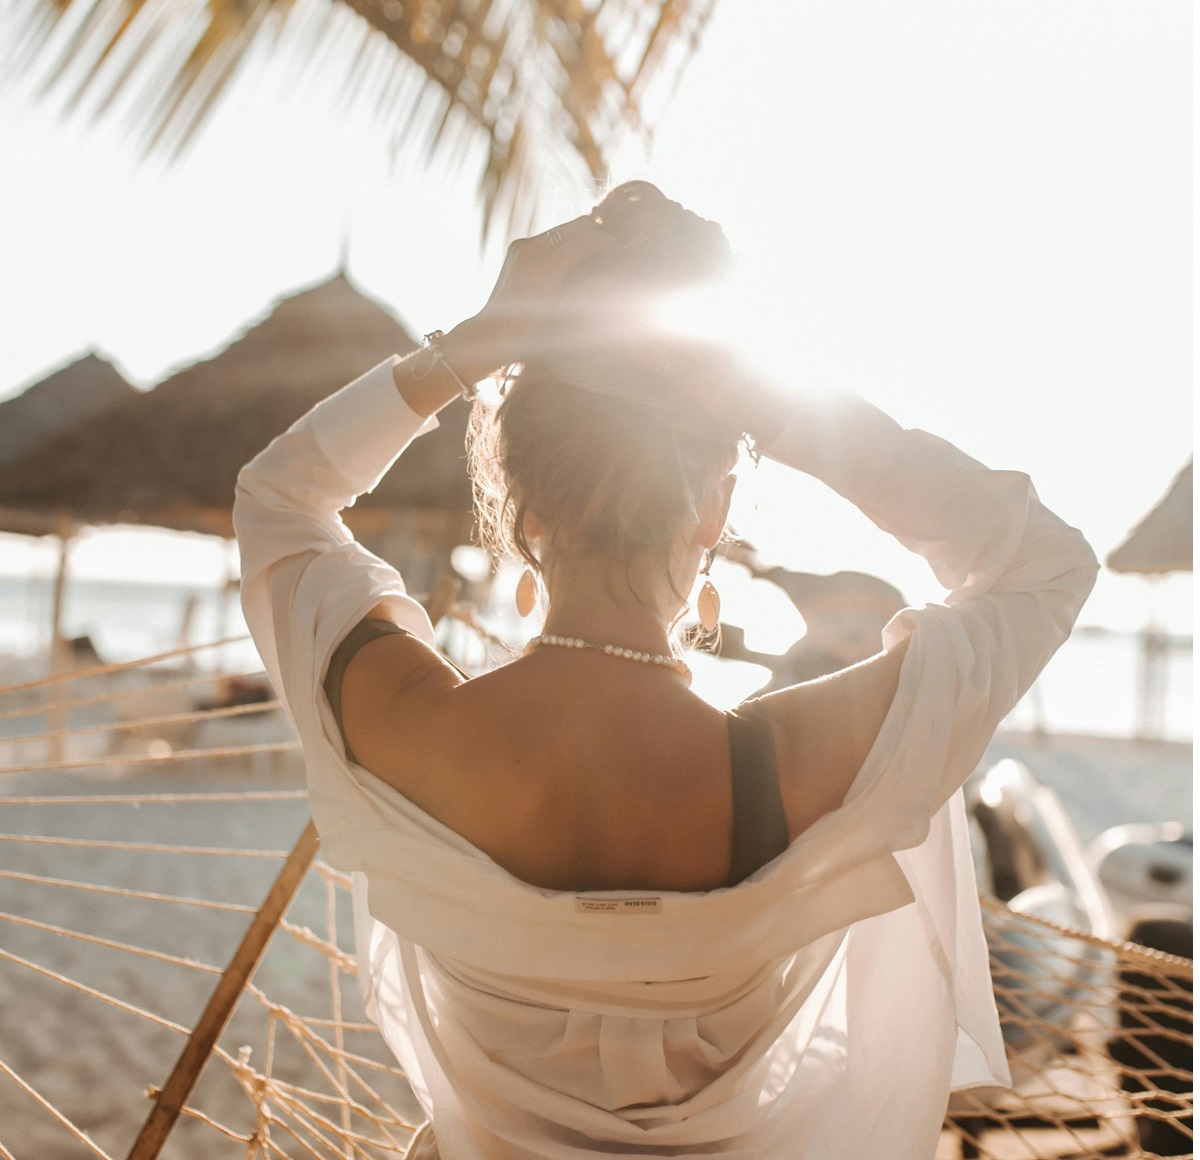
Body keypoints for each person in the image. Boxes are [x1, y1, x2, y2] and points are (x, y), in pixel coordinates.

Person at [234, 183, 1099, 1159]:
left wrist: (470, 345)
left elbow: (278, 500)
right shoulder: (802, 761)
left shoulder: (406, 721)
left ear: (515, 492)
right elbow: (1045, 564)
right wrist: (769, 405)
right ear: (716, 508)